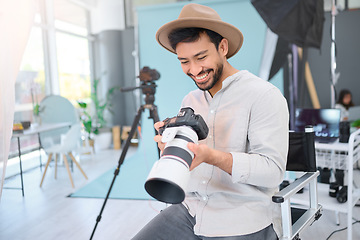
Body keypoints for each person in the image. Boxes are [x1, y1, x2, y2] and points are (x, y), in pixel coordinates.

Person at [133, 3, 289, 240]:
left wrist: (213, 157)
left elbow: (273, 172)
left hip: (241, 216)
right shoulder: (191, 99)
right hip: (192, 209)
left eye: (201, 57)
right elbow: (190, 162)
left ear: (223, 47)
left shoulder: (263, 95)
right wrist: (172, 148)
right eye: (184, 61)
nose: (194, 70)